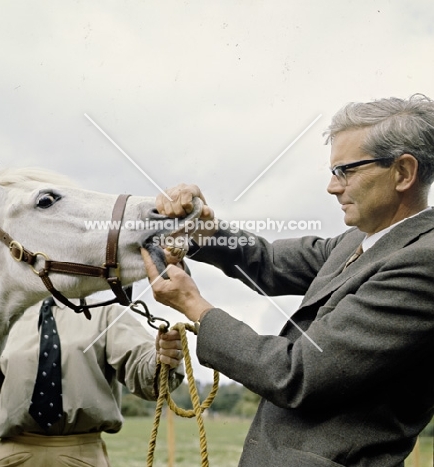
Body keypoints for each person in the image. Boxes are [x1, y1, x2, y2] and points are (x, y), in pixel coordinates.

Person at [141, 94, 434, 466]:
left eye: (346, 170)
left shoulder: (423, 262)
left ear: (404, 173)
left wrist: (195, 307)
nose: (332, 187)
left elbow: (299, 373)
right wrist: (202, 228)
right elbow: (266, 261)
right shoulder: (358, 241)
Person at [0, 297, 184, 467]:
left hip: (82, 457)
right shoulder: (5, 319)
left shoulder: (106, 314)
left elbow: (146, 373)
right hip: (11, 459)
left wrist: (162, 358)